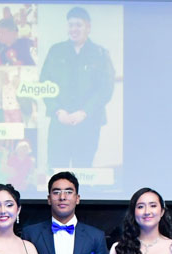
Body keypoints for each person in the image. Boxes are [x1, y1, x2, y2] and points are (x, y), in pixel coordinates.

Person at [39, 6, 115, 169]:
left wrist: (84, 112)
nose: (74, 29)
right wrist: (58, 111)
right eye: (71, 25)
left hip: (88, 123)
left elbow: (106, 88)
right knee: (57, 170)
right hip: (60, 123)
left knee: (83, 169)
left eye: (78, 25)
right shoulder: (56, 51)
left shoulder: (100, 54)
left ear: (88, 27)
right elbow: (44, 83)